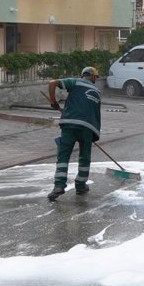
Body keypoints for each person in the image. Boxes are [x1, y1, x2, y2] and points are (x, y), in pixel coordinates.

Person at [46, 67, 101, 201]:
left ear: (83, 75)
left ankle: (59, 186)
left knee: (63, 156)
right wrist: (94, 133)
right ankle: (81, 186)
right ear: (93, 77)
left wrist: (53, 102)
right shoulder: (97, 92)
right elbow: (95, 113)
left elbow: (52, 83)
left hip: (69, 124)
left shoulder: (75, 82)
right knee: (84, 157)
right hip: (88, 128)